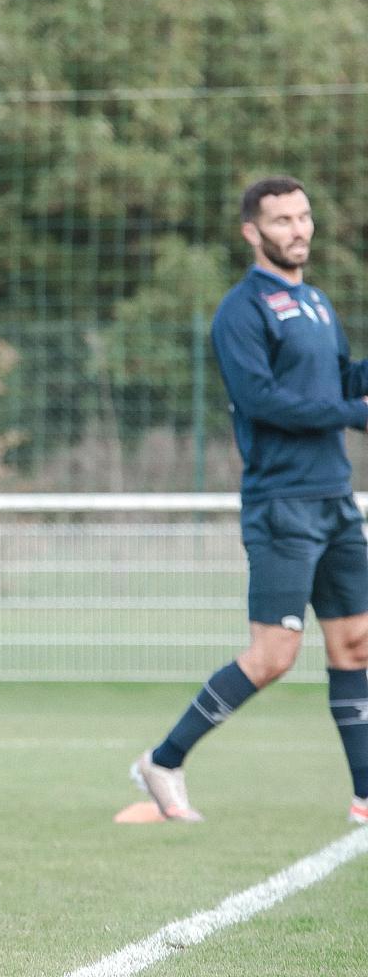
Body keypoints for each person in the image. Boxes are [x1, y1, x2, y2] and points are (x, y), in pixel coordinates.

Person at [131, 175, 368, 823]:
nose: (298, 230)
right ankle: (164, 759)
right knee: (273, 658)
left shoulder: (317, 302)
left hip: (334, 498)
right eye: (283, 220)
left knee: (357, 646)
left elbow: (346, 378)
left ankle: (365, 797)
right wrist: (355, 410)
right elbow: (264, 401)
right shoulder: (241, 310)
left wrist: (358, 392)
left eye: (304, 216)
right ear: (252, 231)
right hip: (282, 503)